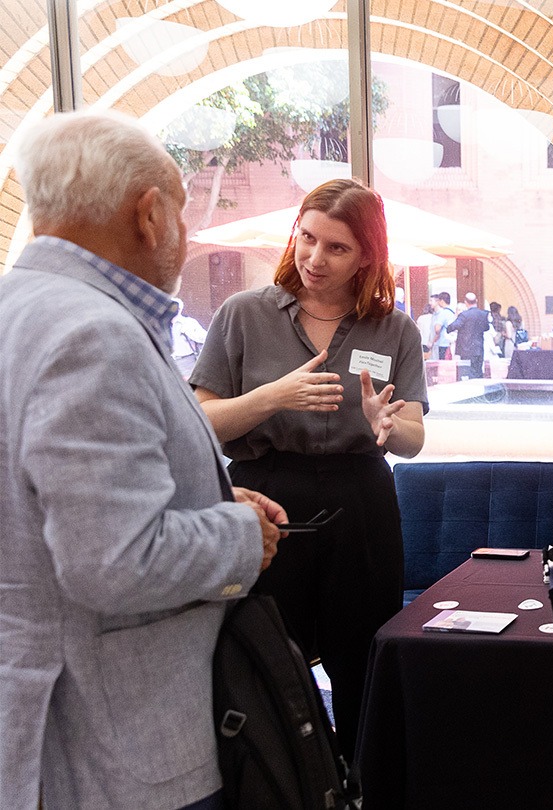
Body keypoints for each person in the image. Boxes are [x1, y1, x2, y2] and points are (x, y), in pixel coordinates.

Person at [0, 110, 283, 809]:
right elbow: (115, 560)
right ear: (150, 215)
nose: (184, 239)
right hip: (114, 750)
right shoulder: (93, 334)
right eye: (182, 215)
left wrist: (210, 504)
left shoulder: (18, 310)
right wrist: (240, 535)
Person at [190, 177, 427, 760]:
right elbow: (201, 424)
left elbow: (415, 438)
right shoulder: (242, 314)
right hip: (265, 495)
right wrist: (274, 396)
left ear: (368, 255)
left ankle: (362, 789)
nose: (315, 258)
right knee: (267, 659)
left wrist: (387, 423)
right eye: (307, 238)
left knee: (362, 662)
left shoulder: (394, 329)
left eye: (337, 248)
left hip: (362, 499)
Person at [446, 291, 489, 379]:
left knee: (468, 373)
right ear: (476, 301)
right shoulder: (483, 314)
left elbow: (454, 326)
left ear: (465, 302)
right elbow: (486, 328)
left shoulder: (464, 315)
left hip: (466, 349)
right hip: (479, 348)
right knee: (478, 371)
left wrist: (448, 328)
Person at [170, 297, 209, 379]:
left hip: (187, 360)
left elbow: (204, 338)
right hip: (170, 361)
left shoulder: (188, 323)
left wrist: (191, 333)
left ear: (180, 309)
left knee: (188, 387)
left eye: (176, 307)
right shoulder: (164, 323)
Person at [430, 291, 456, 360]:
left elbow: (437, 329)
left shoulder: (443, 313)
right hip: (451, 343)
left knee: (442, 365)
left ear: (441, 301)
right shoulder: (453, 312)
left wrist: (435, 337)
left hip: (442, 343)